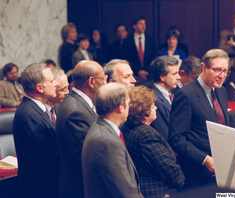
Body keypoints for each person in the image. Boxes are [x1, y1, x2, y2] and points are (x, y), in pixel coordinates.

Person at [168, 49, 230, 189]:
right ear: (204, 68)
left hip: (222, 169)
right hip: (197, 173)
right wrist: (204, 159)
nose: (222, 76)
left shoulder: (221, 90)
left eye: (225, 71)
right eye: (217, 70)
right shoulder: (186, 94)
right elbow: (176, 139)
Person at [120, 85, 185, 198]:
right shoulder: (146, 134)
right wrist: (181, 180)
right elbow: (170, 171)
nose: (156, 108)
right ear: (144, 112)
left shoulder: (125, 126)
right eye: (153, 105)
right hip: (158, 192)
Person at [81, 82, 143, 198]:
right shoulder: (107, 142)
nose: (129, 107)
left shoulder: (100, 127)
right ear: (120, 107)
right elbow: (125, 192)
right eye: (128, 103)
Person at [56, 60, 106, 198]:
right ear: (91, 81)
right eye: (103, 78)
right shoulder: (76, 112)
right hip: (80, 190)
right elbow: (87, 157)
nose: (105, 83)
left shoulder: (77, 101)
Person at [13, 63, 59, 198]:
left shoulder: (37, 108)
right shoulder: (28, 114)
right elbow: (43, 158)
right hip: (39, 189)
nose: (56, 83)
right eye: (51, 81)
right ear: (39, 88)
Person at [150, 56, 181, 141]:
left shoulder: (174, 95)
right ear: (162, 77)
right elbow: (165, 134)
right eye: (175, 74)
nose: (179, 77)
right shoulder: (154, 100)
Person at [123, 16, 156, 81]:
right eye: (141, 24)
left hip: (148, 74)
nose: (143, 26)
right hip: (133, 74)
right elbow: (126, 58)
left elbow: (153, 56)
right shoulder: (127, 41)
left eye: (144, 24)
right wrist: (138, 71)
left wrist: (146, 71)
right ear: (134, 26)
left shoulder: (151, 39)